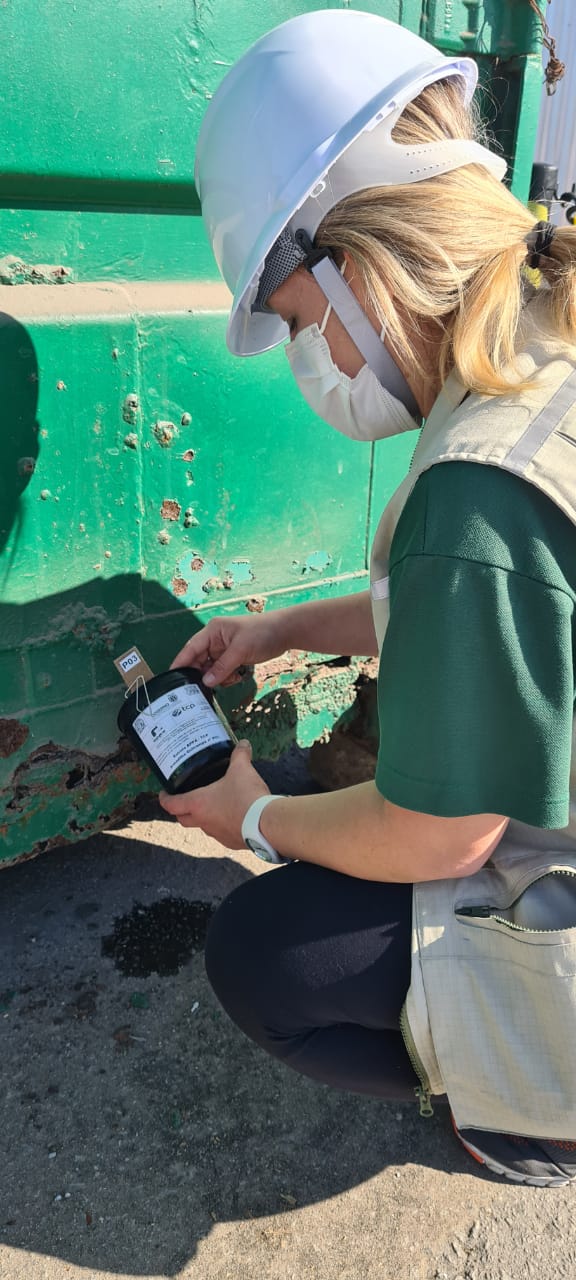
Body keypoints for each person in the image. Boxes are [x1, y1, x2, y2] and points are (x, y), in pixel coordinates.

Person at [159, 10, 576, 1187]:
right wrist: (285, 627)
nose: (311, 362)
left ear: (352, 261)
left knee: (267, 950)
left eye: (295, 323)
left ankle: (535, 1109)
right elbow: (502, 621)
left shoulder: (477, 484)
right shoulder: (546, 335)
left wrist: (250, 817)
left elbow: (446, 832)